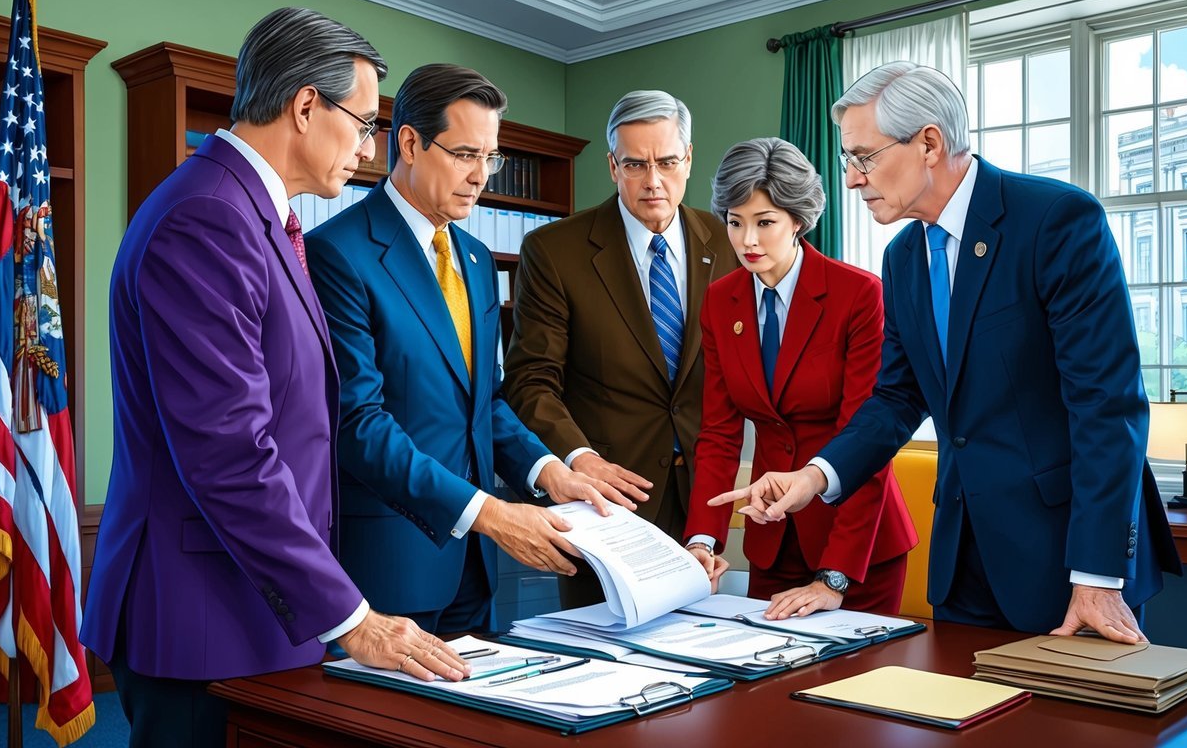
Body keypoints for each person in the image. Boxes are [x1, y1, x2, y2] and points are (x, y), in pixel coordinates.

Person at [81, 9, 469, 748]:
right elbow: (228, 452)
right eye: (362, 124)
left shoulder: (254, 213)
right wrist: (351, 618)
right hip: (200, 616)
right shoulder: (207, 218)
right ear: (303, 106)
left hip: (255, 603)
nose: (367, 148)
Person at [710, 62, 1181, 641]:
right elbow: (896, 398)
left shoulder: (1056, 221)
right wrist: (814, 476)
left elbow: (1107, 406)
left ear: (928, 143)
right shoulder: (903, 257)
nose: (853, 180)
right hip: (963, 561)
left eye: (864, 157)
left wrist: (1097, 575)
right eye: (848, 161)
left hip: (1069, 561)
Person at [306, 64, 624, 635]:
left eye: (490, 157)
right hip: (389, 563)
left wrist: (549, 470)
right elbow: (359, 424)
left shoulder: (477, 259)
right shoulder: (336, 253)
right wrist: (491, 514)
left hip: (477, 569)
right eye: (464, 154)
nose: (481, 176)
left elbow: (485, 401)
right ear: (409, 142)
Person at [504, 90, 736, 608]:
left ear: (689, 159)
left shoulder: (727, 243)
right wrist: (578, 458)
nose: (653, 181)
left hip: (704, 506)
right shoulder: (555, 250)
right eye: (635, 164)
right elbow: (529, 380)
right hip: (607, 508)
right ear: (613, 166)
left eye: (668, 162)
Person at [684, 138, 917, 619]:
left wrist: (835, 576)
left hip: (856, 548)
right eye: (735, 221)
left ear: (798, 220)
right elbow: (719, 434)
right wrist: (702, 539)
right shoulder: (719, 301)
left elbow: (869, 439)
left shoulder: (858, 295)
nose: (747, 240)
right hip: (771, 541)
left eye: (764, 222)